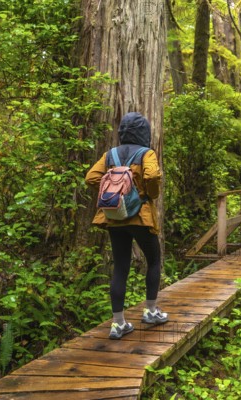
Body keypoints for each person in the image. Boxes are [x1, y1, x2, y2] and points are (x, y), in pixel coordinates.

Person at [85, 112, 168, 340]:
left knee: (120, 267)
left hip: (115, 217)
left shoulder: (110, 155)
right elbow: (152, 176)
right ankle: (151, 311)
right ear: (144, 132)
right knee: (154, 260)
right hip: (140, 216)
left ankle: (118, 323)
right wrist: (147, 195)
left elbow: (91, 177)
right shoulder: (146, 153)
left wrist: (114, 194)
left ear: (122, 131)